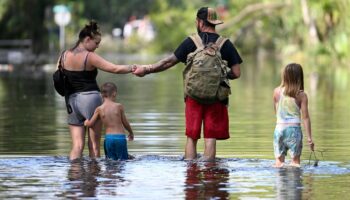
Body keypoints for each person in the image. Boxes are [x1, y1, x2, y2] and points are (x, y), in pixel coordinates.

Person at [133, 7, 243, 161]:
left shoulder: (191, 42)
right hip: (217, 97)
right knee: (210, 137)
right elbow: (237, 73)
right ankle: (210, 173)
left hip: (193, 97)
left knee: (192, 136)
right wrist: (221, 75)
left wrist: (146, 69)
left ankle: (190, 171)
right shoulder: (225, 44)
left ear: (199, 22)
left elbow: (168, 62)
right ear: (214, 23)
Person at [57, 20, 135, 160]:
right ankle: (94, 179)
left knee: (77, 146)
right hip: (90, 100)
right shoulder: (89, 56)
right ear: (87, 39)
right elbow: (114, 68)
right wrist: (133, 68)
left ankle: (75, 179)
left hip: (71, 102)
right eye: (96, 43)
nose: (97, 47)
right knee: (93, 145)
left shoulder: (63, 55)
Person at [273, 63, 315, 167]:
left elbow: (276, 113)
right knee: (295, 163)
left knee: (279, 163)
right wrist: (309, 138)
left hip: (279, 129)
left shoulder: (276, 91)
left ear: (284, 76)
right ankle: (295, 182)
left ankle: (280, 182)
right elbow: (305, 117)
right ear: (299, 77)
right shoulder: (301, 95)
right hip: (294, 130)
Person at [84, 82, 134, 160]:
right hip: (120, 138)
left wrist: (86, 122)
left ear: (101, 95)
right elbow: (125, 123)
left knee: (110, 162)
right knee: (123, 161)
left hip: (108, 139)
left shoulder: (99, 109)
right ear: (114, 93)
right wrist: (131, 132)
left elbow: (90, 124)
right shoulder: (119, 106)